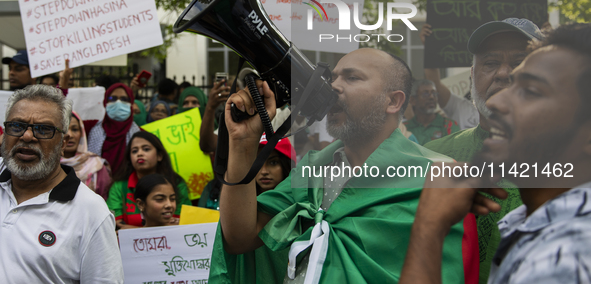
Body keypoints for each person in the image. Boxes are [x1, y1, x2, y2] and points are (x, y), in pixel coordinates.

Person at [210, 48, 478, 283]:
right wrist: (243, 143)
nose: (333, 87)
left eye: (352, 78)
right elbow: (240, 237)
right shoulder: (312, 172)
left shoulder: (438, 177)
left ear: (393, 101)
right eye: (333, 77)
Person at [399, 23, 591, 284]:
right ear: (471, 74)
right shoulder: (523, 223)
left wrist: (428, 228)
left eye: (531, 91)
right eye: (490, 63)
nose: (495, 101)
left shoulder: (563, 259)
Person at [423, 18, 544, 284]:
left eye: (519, 62)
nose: (503, 73)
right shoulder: (427, 156)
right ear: (472, 75)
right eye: (490, 63)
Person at [0, 84, 123, 283]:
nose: (27, 136)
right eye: (17, 126)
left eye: (44, 129)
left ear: (63, 143)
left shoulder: (90, 212)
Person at [107, 131, 191, 230]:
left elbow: (179, 222)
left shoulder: (176, 183)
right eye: (134, 151)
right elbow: (115, 223)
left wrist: (136, 231)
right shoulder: (119, 186)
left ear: (159, 156)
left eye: (146, 149)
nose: (140, 154)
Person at [199, 135, 295, 210]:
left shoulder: (302, 203)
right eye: (256, 163)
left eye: (273, 162)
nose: (264, 171)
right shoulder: (238, 203)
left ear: (287, 165)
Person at [421, 24, 479, 130]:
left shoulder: (511, 109)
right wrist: (429, 47)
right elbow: (434, 83)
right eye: (473, 79)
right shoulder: (459, 107)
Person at [87, 83, 141, 175]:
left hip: (126, 186)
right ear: (105, 102)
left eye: (124, 99)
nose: (118, 102)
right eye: (112, 99)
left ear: (131, 103)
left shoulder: (140, 134)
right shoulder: (90, 127)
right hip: (96, 185)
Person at [61, 111, 111, 199]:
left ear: (82, 132)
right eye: (64, 130)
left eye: (75, 129)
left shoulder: (97, 166)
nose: (70, 135)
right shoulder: (47, 166)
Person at [404, 79, 460, 145]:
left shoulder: (449, 125)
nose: (431, 97)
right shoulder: (405, 129)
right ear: (413, 100)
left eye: (434, 93)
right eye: (425, 94)